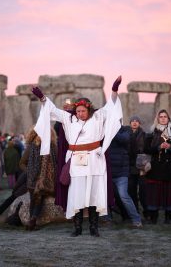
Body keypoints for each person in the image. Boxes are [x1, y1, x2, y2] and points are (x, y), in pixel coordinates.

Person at [31, 75, 123, 237]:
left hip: (95, 159)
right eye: (78, 111)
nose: (80, 113)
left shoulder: (98, 116)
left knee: (94, 193)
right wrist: (42, 97)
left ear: (89, 109)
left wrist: (114, 90)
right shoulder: (69, 119)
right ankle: (78, 227)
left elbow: (112, 105)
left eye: (83, 111)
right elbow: (52, 110)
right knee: (77, 193)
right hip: (76, 161)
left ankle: (94, 228)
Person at [144, 109, 171, 224]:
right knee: (155, 194)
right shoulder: (152, 132)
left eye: (165, 116)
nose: (163, 118)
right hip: (155, 167)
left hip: (169, 167)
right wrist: (159, 147)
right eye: (161, 116)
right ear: (158, 118)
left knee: (169, 194)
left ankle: (168, 218)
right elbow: (147, 149)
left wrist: (169, 147)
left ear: (168, 118)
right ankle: (153, 218)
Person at [23, 127, 57, 230]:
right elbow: (56, 163)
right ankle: (33, 218)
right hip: (44, 177)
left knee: (33, 199)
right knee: (39, 199)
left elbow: (22, 162)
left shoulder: (31, 146)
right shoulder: (52, 146)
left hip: (32, 177)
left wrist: (29, 171)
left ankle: (31, 220)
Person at [108, 125, 142, 227]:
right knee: (105, 197)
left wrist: (111, 129)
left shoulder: (124, 129)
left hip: (121, 172)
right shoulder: (103, 128)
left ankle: (136, 220)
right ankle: (107, 219)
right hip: (107, 171)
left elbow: (124, 139)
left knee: (124, 196)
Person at [128, 116, 148, 219]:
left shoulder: (144, 135)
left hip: (141, 166)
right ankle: (135, 211)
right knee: (131, 190)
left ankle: (146, 211)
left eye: (136, 121)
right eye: (133, 121)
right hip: (131, 166)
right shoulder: (127, 135)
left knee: (143, 191)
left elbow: (146, 149)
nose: (134, 123)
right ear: (130, 123)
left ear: (139, 123)